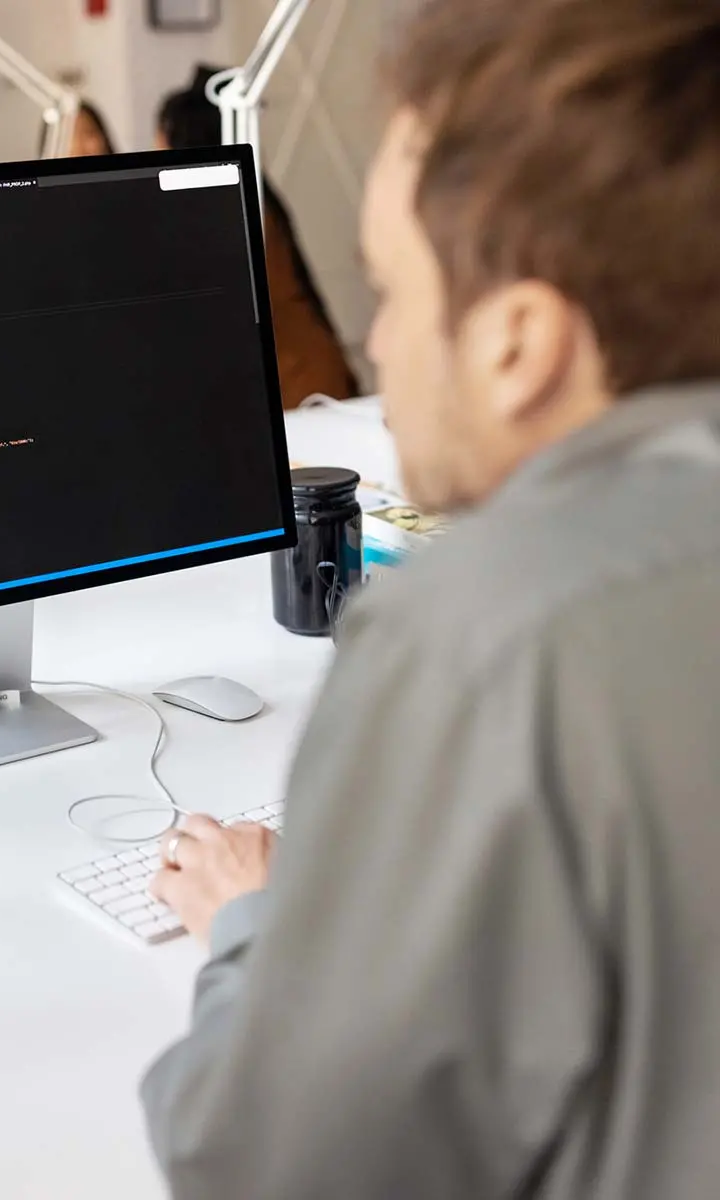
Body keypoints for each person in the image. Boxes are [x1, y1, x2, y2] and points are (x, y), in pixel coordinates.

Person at [140, 1, 720, 1197]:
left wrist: (260, 931)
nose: (382, 351)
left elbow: (263, 1165)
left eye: (391, 294)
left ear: (520, 343)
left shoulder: (491, 630)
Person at [157, 66, 359, 407]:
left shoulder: (225, 214)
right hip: (307, 378)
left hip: (299, 392)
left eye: (161, 139)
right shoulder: (251, 201)